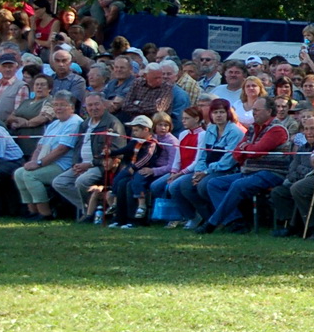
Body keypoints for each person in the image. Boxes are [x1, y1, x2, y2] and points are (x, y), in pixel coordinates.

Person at [200, 100, 294, 234]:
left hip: (272, 173)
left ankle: (212, 223)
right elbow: (237, 153)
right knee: (214, 183)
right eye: (253, 110)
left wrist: (247, 149)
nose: (253, 113)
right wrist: (248, 150)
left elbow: (257, 151)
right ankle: (235, 222)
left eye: (257, 110)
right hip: (250, 171)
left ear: (269, 111)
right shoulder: (252, 129)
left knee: (238, 185)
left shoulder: (277, 129)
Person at [167, 101, 244, 229]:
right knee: (183, 185)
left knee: (203, 185)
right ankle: (207, 218)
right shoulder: (210, 129)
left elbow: (228, 160)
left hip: (227, 169)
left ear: (228, 114)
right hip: (207, 169)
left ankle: (222, 219)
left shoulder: (235, 132)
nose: (218, 115)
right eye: (215, 112)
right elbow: (202, 154)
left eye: (222, 112)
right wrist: (199, 171)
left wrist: (206, 172)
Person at [13, 93, 82, 219]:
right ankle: (32, 212)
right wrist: (33, 162)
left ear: (72, 108)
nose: (58, 108)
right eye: (55, 105)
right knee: (19, 173)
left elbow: (62, 149)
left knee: (30, 176)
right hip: (47, 162)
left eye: (62, 105)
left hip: (63, 165)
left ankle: (45, 213)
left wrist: (38, 164)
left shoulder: (74, 122)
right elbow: (39, 147)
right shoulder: (54, 124)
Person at [54, 92, 121, 219]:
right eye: (90, 105)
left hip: (100, 166)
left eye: (97, 104)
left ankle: (89, 214)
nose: (93, 108)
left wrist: (90, 164)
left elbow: (116, 152)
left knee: (82, 181)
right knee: (60, 182)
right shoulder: (85, 124)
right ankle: (91, 209)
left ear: (104, 105)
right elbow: (77, 147)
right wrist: (76, 164)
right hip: (82, 165)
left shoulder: (112, 123)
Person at [106, 116, 161, 228]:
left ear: (146, 129)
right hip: (132, 167)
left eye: (136, 130)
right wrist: (110, 153)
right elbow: (125, 150)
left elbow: (147, 157)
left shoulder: (151, 143)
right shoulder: (135, 141)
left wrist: (135, 167)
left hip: (144, 170)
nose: (133, 133)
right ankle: (119, 217)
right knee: (120, 182)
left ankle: (137, 215)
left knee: (131, 184)